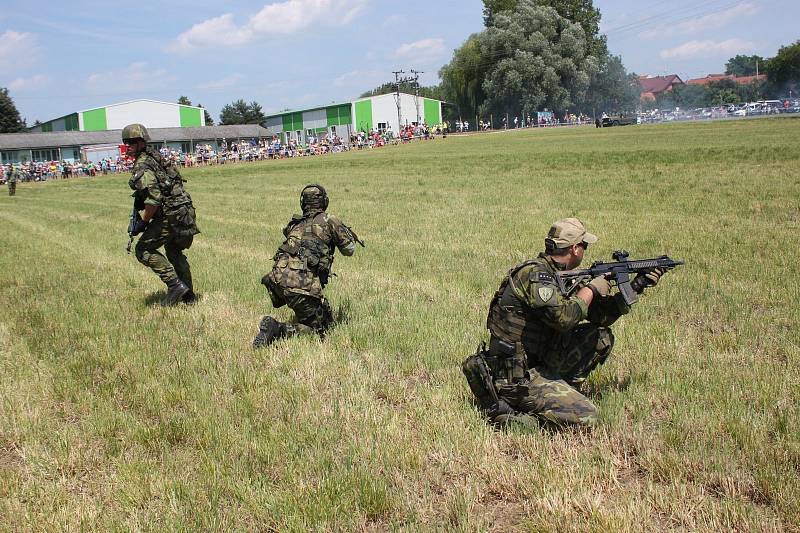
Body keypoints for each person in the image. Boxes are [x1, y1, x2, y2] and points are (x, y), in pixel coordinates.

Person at [463, 218, 670, 430]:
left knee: (600, 336)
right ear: (575, 249)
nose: (585, 251)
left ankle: (558, 395)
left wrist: (637, 285)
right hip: (517, 376)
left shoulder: (562, 276)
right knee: (588, 416)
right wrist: (591, 289)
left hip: (538, 362)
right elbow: (564, 319)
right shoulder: (536, 276)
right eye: (584, 246)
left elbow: (600, 316)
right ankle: (515, 420)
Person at [254, 184, 359, 348]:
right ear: (324, 201)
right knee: (319, 330)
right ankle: (278, 329)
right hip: (300, 284)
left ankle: (311, 310)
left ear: (303, 203)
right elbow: (349, 250)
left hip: (276, 280)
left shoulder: (295, 224)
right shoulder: (329, 220)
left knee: (323, 314)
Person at [123, 123, 200, 306]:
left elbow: (153, 200)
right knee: (174, 250)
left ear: (141, 143)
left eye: (132, 142)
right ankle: (188, 295)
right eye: (127, 142)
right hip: (183, 210)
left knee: (143, 250)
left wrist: (143, 222)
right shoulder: (156, 157)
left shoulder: (143, 165)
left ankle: (175, 286)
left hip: (170, 214)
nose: (128, 146)